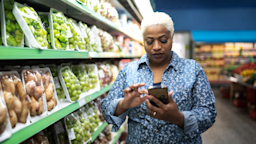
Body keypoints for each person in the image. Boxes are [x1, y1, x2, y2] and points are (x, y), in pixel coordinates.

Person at [101, 12, 216, 143]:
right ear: (143, 40)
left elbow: (209, 113)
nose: (156, 47)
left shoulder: (193, 69)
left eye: (163, 40)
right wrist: (123, 104)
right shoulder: (129, 71)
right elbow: (105, 109)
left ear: (172, 38)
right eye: (149, 41)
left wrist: (179, 118)